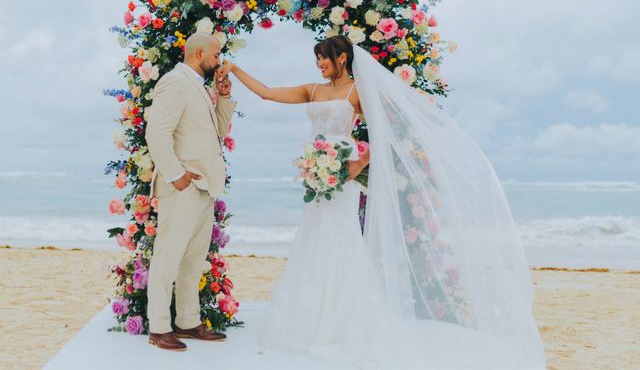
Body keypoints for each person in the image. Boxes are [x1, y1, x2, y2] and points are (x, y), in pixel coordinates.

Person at [217, 35, 546, 369]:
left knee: (342, 242)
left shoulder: (357, 91)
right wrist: (235, 68)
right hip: (317, 181)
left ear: (342, 57)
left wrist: (361, 161)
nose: (319, 64)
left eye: (324, 58)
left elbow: (385, 130)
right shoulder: (312, 90)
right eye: (317, 59)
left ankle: (344, 320)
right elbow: (266, 92)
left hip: (342, 181)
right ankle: (313, 318)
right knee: (314, 240)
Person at [144, 31, 236, 351]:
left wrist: (223, 97)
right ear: (199, 54)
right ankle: (158, 327)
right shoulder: (174, 82)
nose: (219, 61)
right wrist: (175, 174)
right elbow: (156, 132)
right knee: (169, 257)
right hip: (183, 186)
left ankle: (187, 321)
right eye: (215, 56)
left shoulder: (200, 87)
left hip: (204, 186)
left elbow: (217, 135)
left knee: (193, 260)